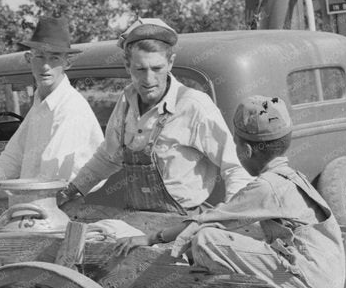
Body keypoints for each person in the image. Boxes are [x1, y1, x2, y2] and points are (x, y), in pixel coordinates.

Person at [165, 95, 345, 288]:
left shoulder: (267, 186)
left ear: (246, 151)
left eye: (237, 146)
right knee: (262, 251)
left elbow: (208, 220)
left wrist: (153, 238)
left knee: (205, 240)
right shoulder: (296, 178)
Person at [59, 19, 249, 214]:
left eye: (157, 68)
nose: (149, 80)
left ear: (171, 63)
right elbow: (108, 157)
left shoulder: (194, 106)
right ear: (127, 65)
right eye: (140, 69)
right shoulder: (126, 102)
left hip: (182, 224)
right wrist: (74, 190)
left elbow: (236, 167)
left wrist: (228, 217)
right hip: (136, 219)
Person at [0, 17, 103, 198]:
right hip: (36, 204)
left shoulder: (71, 108)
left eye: (54, 58)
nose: (45, 66)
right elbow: (14, 155)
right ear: (28, 58)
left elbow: (50, 181)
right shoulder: (41, 103)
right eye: (39, 56)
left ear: (68, 62)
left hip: (60, 209)